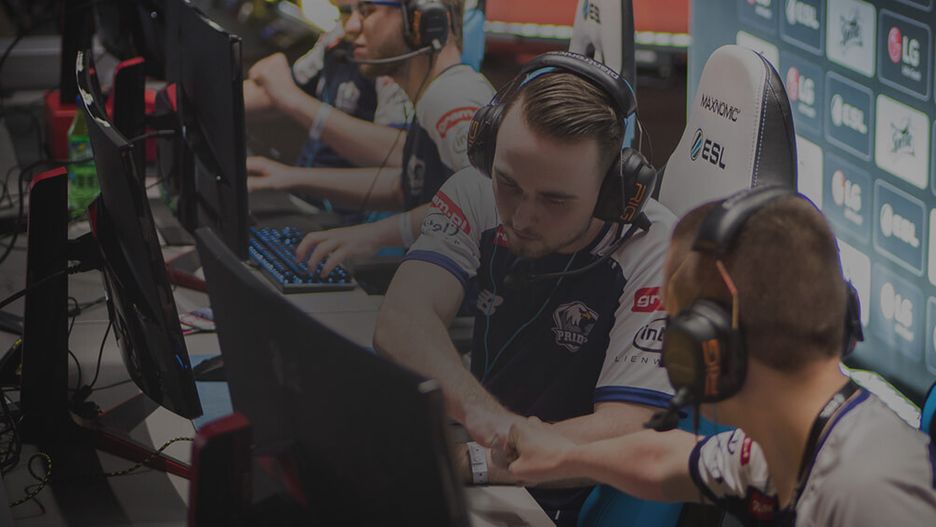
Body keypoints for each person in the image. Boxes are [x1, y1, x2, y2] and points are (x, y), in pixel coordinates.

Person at [507, 188, 936, 526]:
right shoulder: (786, 443)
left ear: (708, 344)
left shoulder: (870, 490)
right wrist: (560, 456)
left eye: (675, 329)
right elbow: (665, 460)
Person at [373, 51, 672, 525]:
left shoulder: (655, 248)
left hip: (557, 502)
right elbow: (401, 321)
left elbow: (627, 429)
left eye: (555, 200)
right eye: (508, 184)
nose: (522, 217)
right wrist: (485, 419)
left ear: (613, 192)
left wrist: (481, 458)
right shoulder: (475, 190)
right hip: (487, 467)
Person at [247, 0, 494, 274]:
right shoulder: (433, 97)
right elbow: (406, 187)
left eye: (367, 12)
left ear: (426, 20)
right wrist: (290, 176)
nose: (351, 26)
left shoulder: (451, 98)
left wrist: (374, 235)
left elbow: (485, 200)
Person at [244, 0, 411, 170]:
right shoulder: (338, 34)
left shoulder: (392, 54)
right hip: (307, 177)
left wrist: (293, 99)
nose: (351, 26)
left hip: (345, 184)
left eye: (366, 11)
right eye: (346, 12)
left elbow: (401, 157)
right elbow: (278, 92)